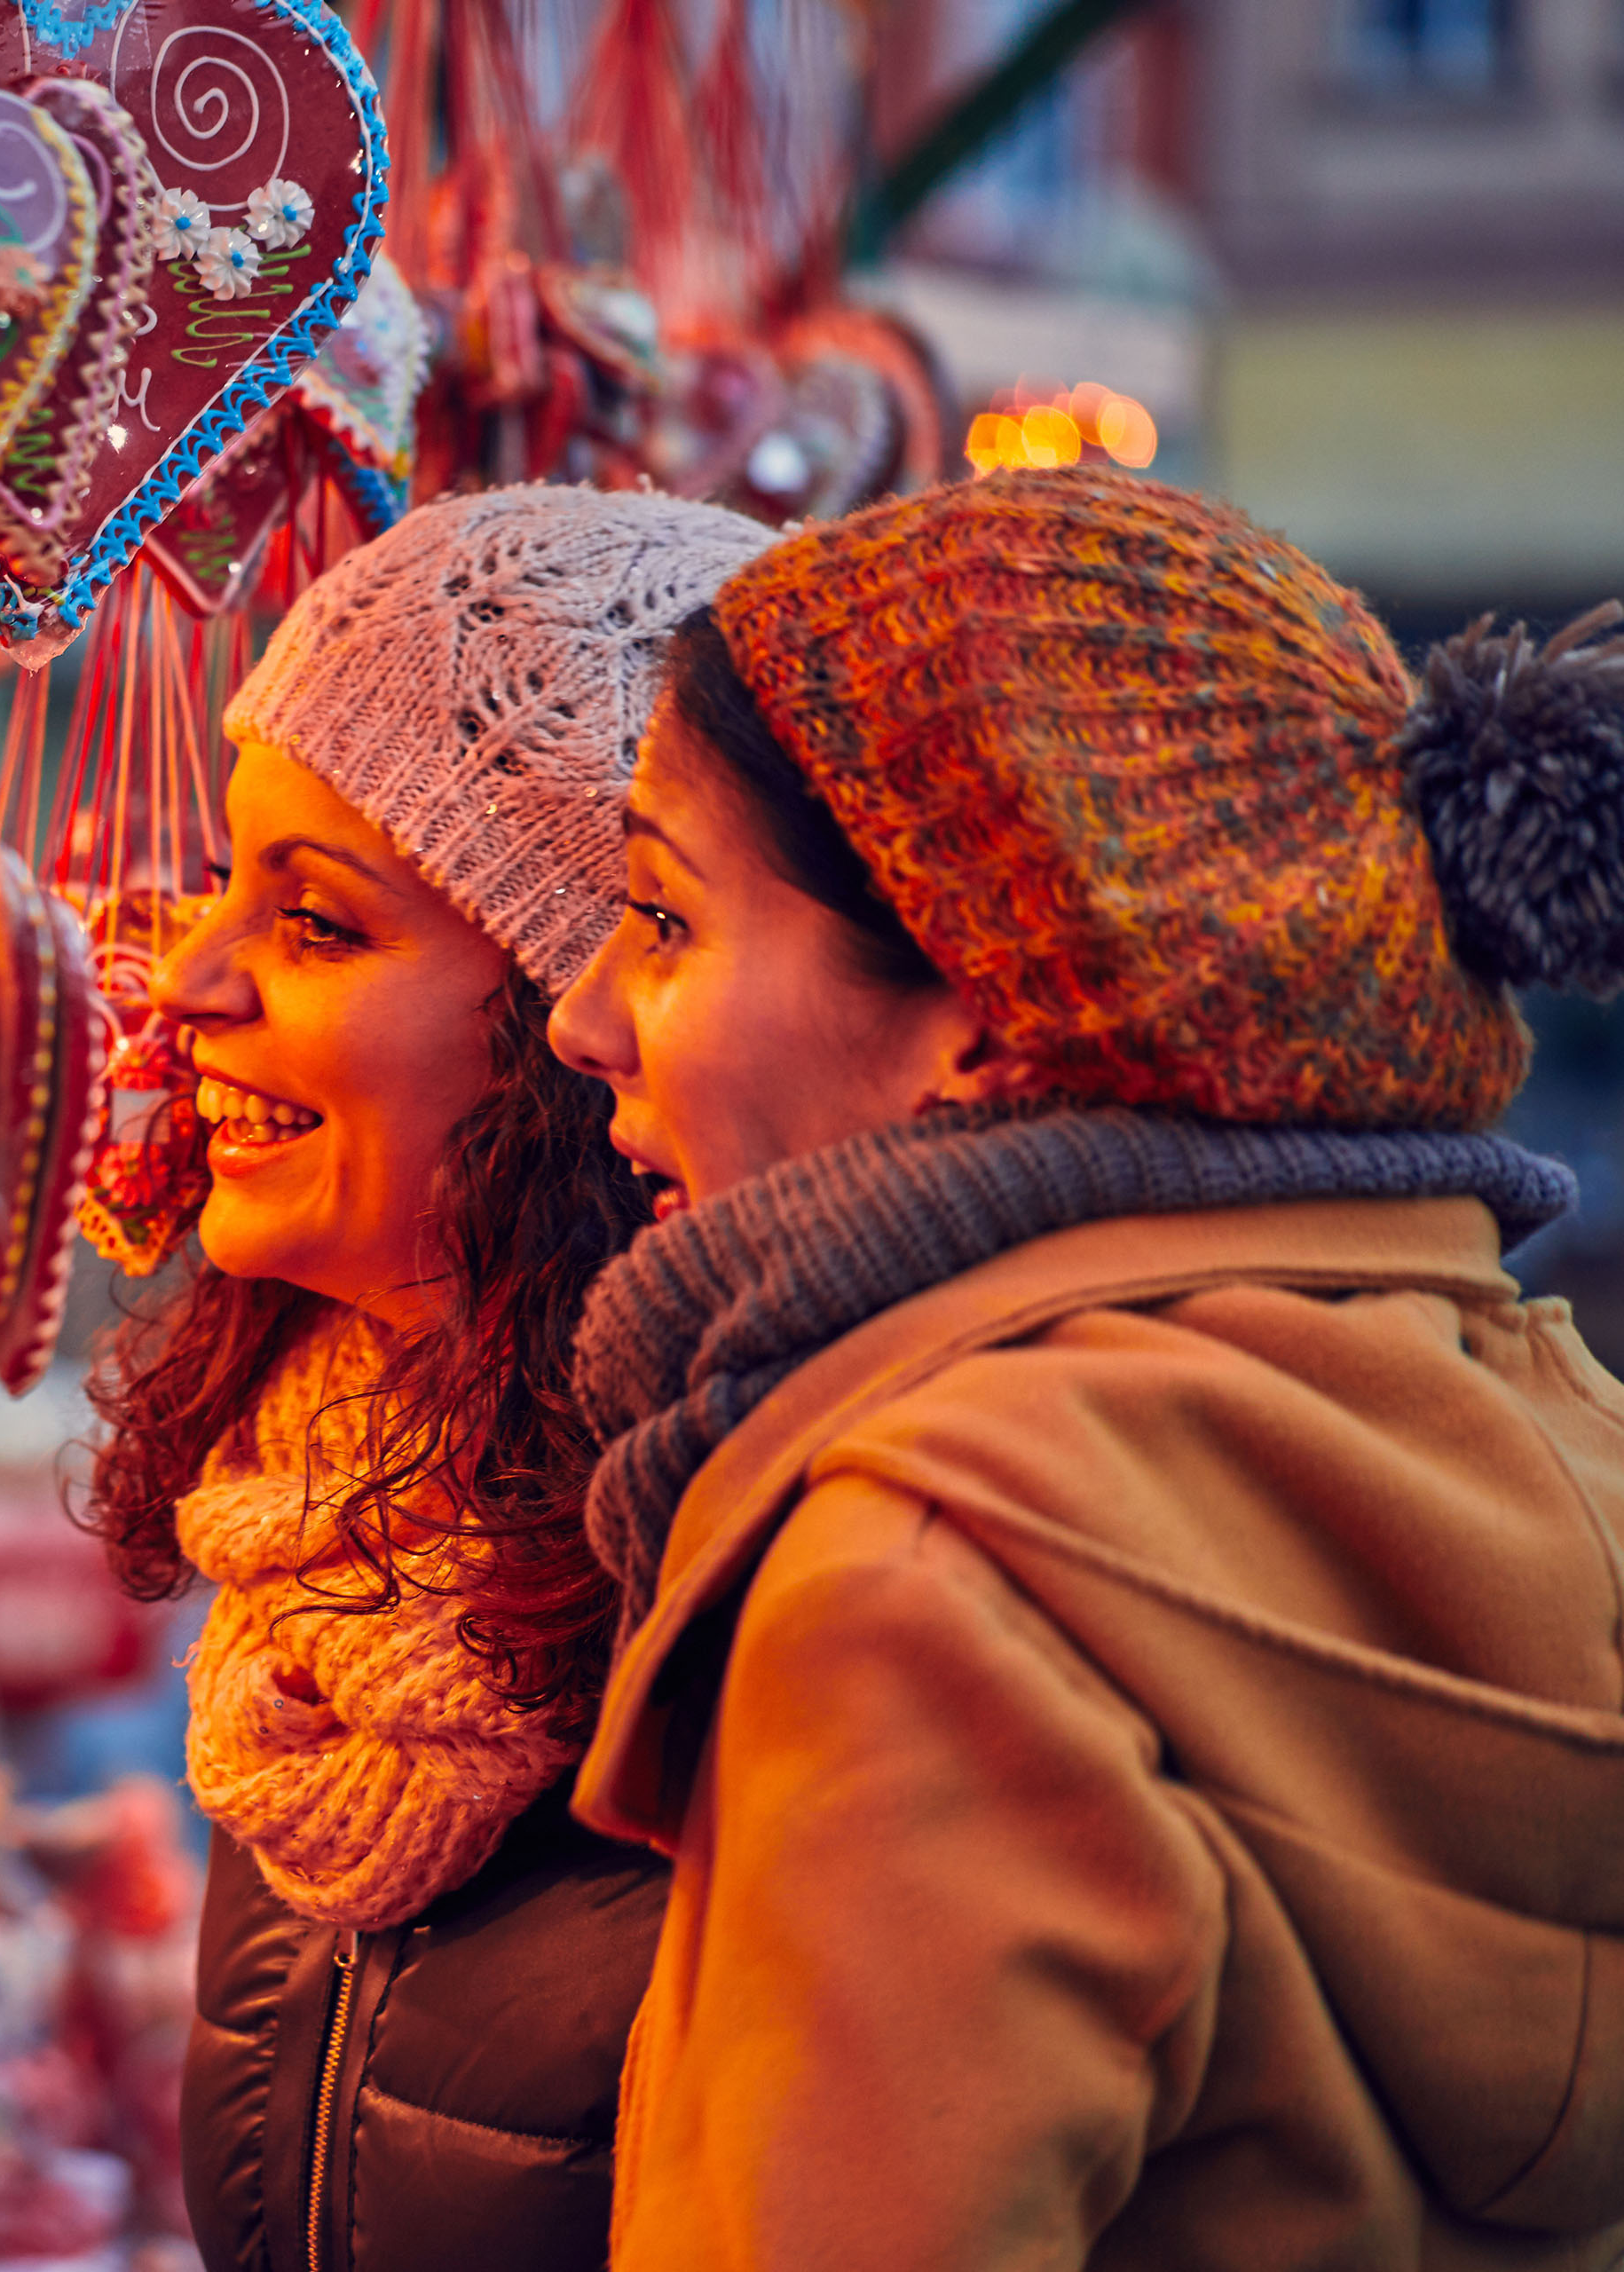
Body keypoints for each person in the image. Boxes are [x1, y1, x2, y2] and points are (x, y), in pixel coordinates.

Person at [543, 463, 1624, 2266]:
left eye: (663, 917)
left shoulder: (927, 1587)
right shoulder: (1559, 1431)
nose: (584, 1013)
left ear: (983, 1010)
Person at [82, 485, 772, 2272]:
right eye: (222, 886)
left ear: (587, 1023)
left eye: (316, 924)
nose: (185, 981)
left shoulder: (759, 1609)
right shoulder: (309, 1580)